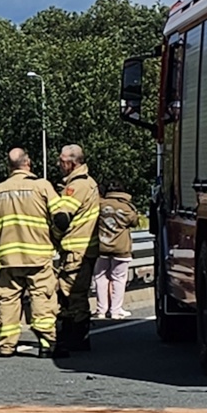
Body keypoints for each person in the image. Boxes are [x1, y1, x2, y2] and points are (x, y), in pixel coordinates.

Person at [0, 148, 59, 356]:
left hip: (8, 258)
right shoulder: (42, 186)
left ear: (10, 166)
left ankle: (6, 345)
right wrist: (55, 238)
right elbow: (61, 218)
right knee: (42, 298)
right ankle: (46, 344)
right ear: (28, 163)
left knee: (7, 300)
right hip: (38, 256)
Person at [49, 143, 102, 353]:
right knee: (74, 293)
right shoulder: (86, 182)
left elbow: (62, 217)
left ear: (72, 163)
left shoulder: (77, 185)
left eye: (62, 161)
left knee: (72, 294)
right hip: (82, 248)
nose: (58, 164)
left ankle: (76, 336)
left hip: (76, 249)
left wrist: (51, 235)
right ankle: (77, 335)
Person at [92, 187, 141, 320]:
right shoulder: (126, 207)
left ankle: (101, 310)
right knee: (119, 278)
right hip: (121, 248)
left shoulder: (99, 204)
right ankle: (115, 310)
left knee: (100, 277)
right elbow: (135, 222)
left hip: (102, 246)